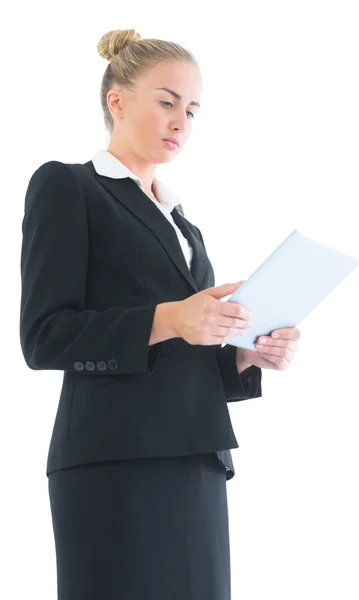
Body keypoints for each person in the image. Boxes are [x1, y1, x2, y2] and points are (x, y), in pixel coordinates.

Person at [19, 28, 299, 600]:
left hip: (196, 460)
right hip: (113, 460)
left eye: (192, 109)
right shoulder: (68, 186)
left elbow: (189, 353)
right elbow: (44, 337)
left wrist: (246, 353)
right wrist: (170, 318)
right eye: (167, 101)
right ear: (116, 100)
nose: (181, 121)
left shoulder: (184, 226)